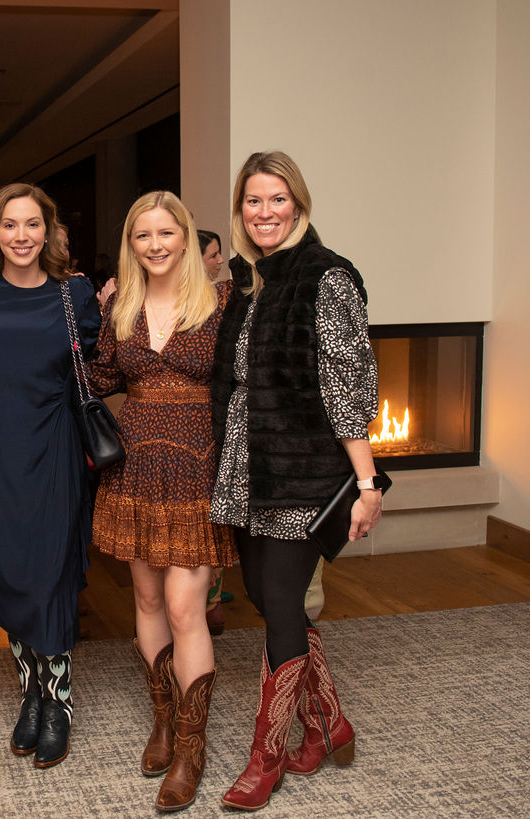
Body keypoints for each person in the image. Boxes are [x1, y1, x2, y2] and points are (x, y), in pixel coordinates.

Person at [210, 151, 381, 812]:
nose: (265, 212)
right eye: (253, 200)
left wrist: (368, 484)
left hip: (303, 469)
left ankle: (267, 756)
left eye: (277, 199)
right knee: (261, 592)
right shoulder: (248, 280)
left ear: (299, 204)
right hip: (248, 464)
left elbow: (348, 390)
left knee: (281, 599)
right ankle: (328, 722)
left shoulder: (325, 276)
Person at [87, 191, 236, 810]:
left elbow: (246, 381)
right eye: (142, 235)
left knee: (183, 606)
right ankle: (165, 721)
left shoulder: (222, 302)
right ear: (132, 243)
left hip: (196, 467)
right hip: (137, 465)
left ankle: (192, 747)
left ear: (186, 237)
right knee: (147, 599)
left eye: (165, 233)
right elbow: (99, 377)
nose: (155, 245)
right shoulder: (119, 304)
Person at [0, 182, 99, 769]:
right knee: (11, 568)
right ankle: (31, 693)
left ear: (49, 230)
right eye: (10, 225)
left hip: (55, 447)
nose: (21, 236)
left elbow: (100, 363)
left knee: (51, 571)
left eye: (32, 224)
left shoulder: (75, 294)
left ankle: (58, 701)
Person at [196, 228, 232, 635]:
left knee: (211, 520)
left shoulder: (224, 300)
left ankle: (211, 601)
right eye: (212, 255)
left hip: (211, 427)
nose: (219, 261)